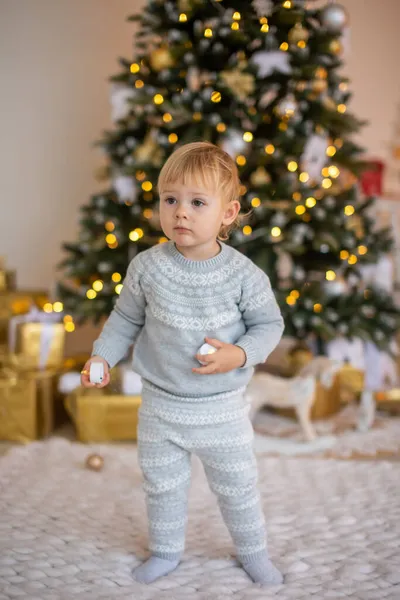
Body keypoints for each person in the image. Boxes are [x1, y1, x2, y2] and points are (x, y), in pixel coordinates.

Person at [81, 141, 285, 586]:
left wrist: (240, 353)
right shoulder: (147, 267)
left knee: (237, 486)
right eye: (170, 200)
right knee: (162, 486)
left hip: (221, 409)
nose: (181, 213)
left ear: (228, 214)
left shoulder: (244, 275)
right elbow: (125, 320)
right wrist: (102, 355)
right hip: (161, 406)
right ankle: (167, 551)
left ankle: (253, 552)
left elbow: (269, 325)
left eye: (197, 202)